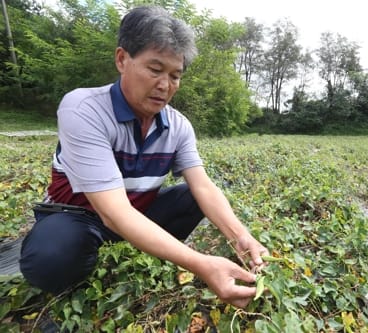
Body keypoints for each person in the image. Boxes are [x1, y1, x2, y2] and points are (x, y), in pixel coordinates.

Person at [19, 5, 268, 309]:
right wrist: (200, 264)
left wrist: (240, 235)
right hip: (78, 218)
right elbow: (113, 212)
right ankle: (92, 259)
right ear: (122, 59)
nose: (165, 86)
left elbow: (203, 186)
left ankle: (142, 247)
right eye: (155, 69)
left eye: (175, 75)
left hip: (136, 215)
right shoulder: (84, 109)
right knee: (50, 260)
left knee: (193, 195)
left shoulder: (178, 126)